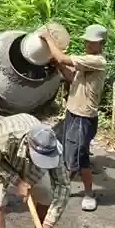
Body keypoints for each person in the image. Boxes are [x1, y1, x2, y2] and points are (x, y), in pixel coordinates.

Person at [0, 113, 70, 228]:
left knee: (46, 194)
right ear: (28, 145)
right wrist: (17, 181)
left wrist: (49, 223)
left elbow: (63, 185)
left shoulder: (53, 148)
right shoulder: (4, 137)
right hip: (1, 162)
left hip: (30, 166)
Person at [40, 24, 107, 212]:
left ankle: (89, 194)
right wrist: (58, 65)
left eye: (92, 42)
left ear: (101, 44)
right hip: (73, 113)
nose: (88, 44)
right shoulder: (87, 61)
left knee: (80, 157)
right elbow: (72, 78)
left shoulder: (97, 61)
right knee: (70, 154)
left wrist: (48, 39)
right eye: (87, 41)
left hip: (83, 117)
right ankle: (64, 186)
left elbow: (62, 57)